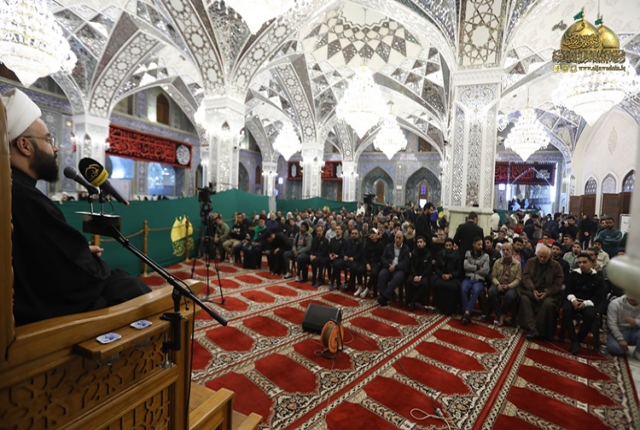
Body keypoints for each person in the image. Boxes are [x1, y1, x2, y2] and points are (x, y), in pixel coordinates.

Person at [4, 89, 150, 326]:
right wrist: (84, 261)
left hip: (30, 302)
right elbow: (82, 280)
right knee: (132, 288)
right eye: (48, 140)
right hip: (42, 317)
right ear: (24, 145)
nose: (55, 149)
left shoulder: (12, 189)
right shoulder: (26, 198)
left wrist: (77, 254)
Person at [560, 252, 607, 355]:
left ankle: (577, 340)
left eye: (584, 262)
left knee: (590, 315)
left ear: (591, 262)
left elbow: (599, 296)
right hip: (573, 300)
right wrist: (573, 300)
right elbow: (568, 290)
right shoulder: (573, 275)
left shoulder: (598, 279)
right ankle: (574, 339)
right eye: (579, 262)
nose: (581, 265)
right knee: (566, 310)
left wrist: (585, 303)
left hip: (589, 303)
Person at [518, 246, 564, 340]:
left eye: (545, 257)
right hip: (532, 291)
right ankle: (533, 328)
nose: (542, 259)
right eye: (540, 256)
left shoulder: (556, 266)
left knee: (548, 304)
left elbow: (558, 284)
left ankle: (538, 330)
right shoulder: (531, 261)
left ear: (549, 256)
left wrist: (546, 292)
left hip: (549, 293)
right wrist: (533, 290)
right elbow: (526, 277)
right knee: (525, 299)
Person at [488, 242, 522, 327]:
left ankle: (500, 314)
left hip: (511, 286)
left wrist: (509, 286)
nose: (505, 252)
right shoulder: (497, 262)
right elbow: (493, 276)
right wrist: (498, 284)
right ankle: (501, 314)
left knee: (510, 296)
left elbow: (518, 279)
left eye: (507, 250)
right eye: (503, 250)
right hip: (499, 284)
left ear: (512, 251)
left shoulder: (517, 264)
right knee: (491, 292)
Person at [460, 237, 490, 325]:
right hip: (468, 278)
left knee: (476, 290)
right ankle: (467, 313)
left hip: (479, 280)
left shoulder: (486, 256)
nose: (481, 246)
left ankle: (466, 313)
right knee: (463, 288)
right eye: (478, 244)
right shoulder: (468, 253)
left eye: (481, 245)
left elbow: (485, 271)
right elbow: (465, 266)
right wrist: (478, 267)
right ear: (474, 245)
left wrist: (472, 268)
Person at [377, 231, 410, 306]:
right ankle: (390, 294)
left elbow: (405, 262)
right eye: (396, 237)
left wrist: (395, 267)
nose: (397, 240)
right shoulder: (389, 246)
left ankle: (384, 297)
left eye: (399, 238)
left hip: (399, 269)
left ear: (402, 239)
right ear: (394, 238)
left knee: (397, 277)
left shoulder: (406, 249)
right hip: (389, 267)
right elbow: (383, 258)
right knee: (381, 275)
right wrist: (388, 265)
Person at [432, 238, 461, 316]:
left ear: (452, 246)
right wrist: (441, 275)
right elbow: (436, 268)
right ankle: (439, 307)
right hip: (441, 276)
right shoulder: (440, 254)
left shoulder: (457, 256)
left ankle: (450, 309)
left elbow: (459, 271)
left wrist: (450, 275)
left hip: (452, 278)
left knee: (452, 287)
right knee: (437, 284)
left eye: (449, 245)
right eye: (446, 245)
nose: (448, 247)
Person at [405, 236, 433, 311]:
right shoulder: (414, 252)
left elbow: (428, 268)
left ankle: (414, 301)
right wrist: (415, 275)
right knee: (409, 281)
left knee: (424, 284)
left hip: (424, 275)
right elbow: (412, 265)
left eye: (421, 242)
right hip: (415, 273)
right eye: (418, 242)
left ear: (424, 243)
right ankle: (410, 301)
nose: (419, 244)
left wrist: (421, 276)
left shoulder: (428, 254)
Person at [361, 228, 386, 298]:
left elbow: (383, 256)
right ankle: (360, 287)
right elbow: (364, 256)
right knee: (359, 269)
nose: (372, 235)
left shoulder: (380, 245)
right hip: (368, 262)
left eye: (374, 233)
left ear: (377, 235)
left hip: (376, 263)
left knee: (374, 273)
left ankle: (367, 289)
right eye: (371, 233)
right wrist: (367, 264)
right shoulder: (367, 244)